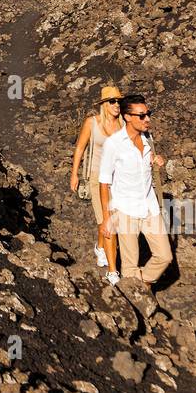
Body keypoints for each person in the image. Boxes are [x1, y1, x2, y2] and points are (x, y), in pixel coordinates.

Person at [98, 94, 170, 288]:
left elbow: (147, 162)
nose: (147, 119)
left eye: (148, 114)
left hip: (150, 207)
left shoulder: (148, 139)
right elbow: (104, 182)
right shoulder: (113, 144)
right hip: (125, 210)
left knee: (165, 256)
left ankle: (140, 286)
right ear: (127, 117)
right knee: (129, 265)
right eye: (142, 115)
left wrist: (156, 160)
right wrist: (107, 218)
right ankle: (136, 299)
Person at [70, 85, 124, 273]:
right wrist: (74, 173)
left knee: (109, 219)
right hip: (96, 178)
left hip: (118, 179)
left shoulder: (124, 124)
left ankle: (100, 247)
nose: (117, 104)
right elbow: (79, 148)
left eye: (119, 101)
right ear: (104, 104)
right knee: (106, 220)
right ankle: (112, 269)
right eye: (113, 101)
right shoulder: (92, 123)